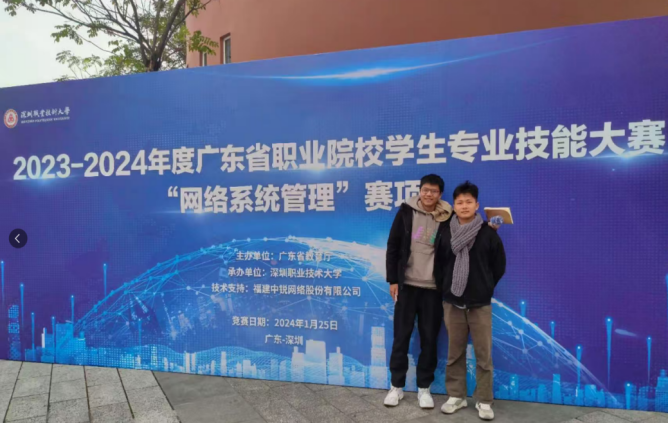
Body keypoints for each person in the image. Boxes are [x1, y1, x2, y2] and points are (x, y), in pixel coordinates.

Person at [384, 174, 453, 409]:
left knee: (429, 340)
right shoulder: (406, 212)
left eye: (434, 191)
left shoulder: (447, 216)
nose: (429, 194)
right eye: (425, 190)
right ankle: (396, 387)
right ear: (419, 191)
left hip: (433, 289)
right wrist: (393, 279)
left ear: (440, 194)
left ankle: (424, 389)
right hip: (407, 287)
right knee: (401, 337)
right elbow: (393, 246)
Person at [439, 181, 506, 421]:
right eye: (460, 202)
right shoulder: (445, 231)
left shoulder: (488, 233)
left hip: (479, 303)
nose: (464, 206)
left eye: (469, 202)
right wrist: (447, 287)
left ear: (477, 205)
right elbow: (439, 264)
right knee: (454, 353)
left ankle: (484, 400)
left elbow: (499, 266)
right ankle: (456, 396)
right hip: (452, 302)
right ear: (454, 206)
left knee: (483, 355)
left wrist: (484, 286)